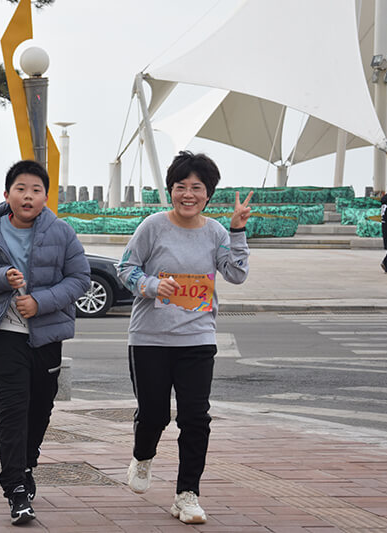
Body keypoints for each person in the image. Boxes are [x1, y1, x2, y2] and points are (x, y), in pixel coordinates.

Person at [116, 151, 251, 525]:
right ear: (170, 190)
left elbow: (236, 274)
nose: (188, 194)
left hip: (198, 336)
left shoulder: (216, 232)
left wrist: (237, 230)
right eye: (181, 187)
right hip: (150, 339)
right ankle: (143, 457)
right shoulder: (153, 226)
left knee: (196, 418)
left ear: (208, 194)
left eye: (197, 188)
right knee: (154, 414)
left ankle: (187, 494)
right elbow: (124, 268)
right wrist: (152, 285)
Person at [0, 160, 90, 525]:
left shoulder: (62, 232)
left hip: (46, 336)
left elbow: (80, 279)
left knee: (40, 408)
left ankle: (27, 464)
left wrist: (40, 302)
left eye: (35, 190)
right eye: (20, 189)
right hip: (5, 335)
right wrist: (0, 277)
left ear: (45, 196)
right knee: (12, 410)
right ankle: (15, 487)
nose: (27, 196)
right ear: (7, 194)